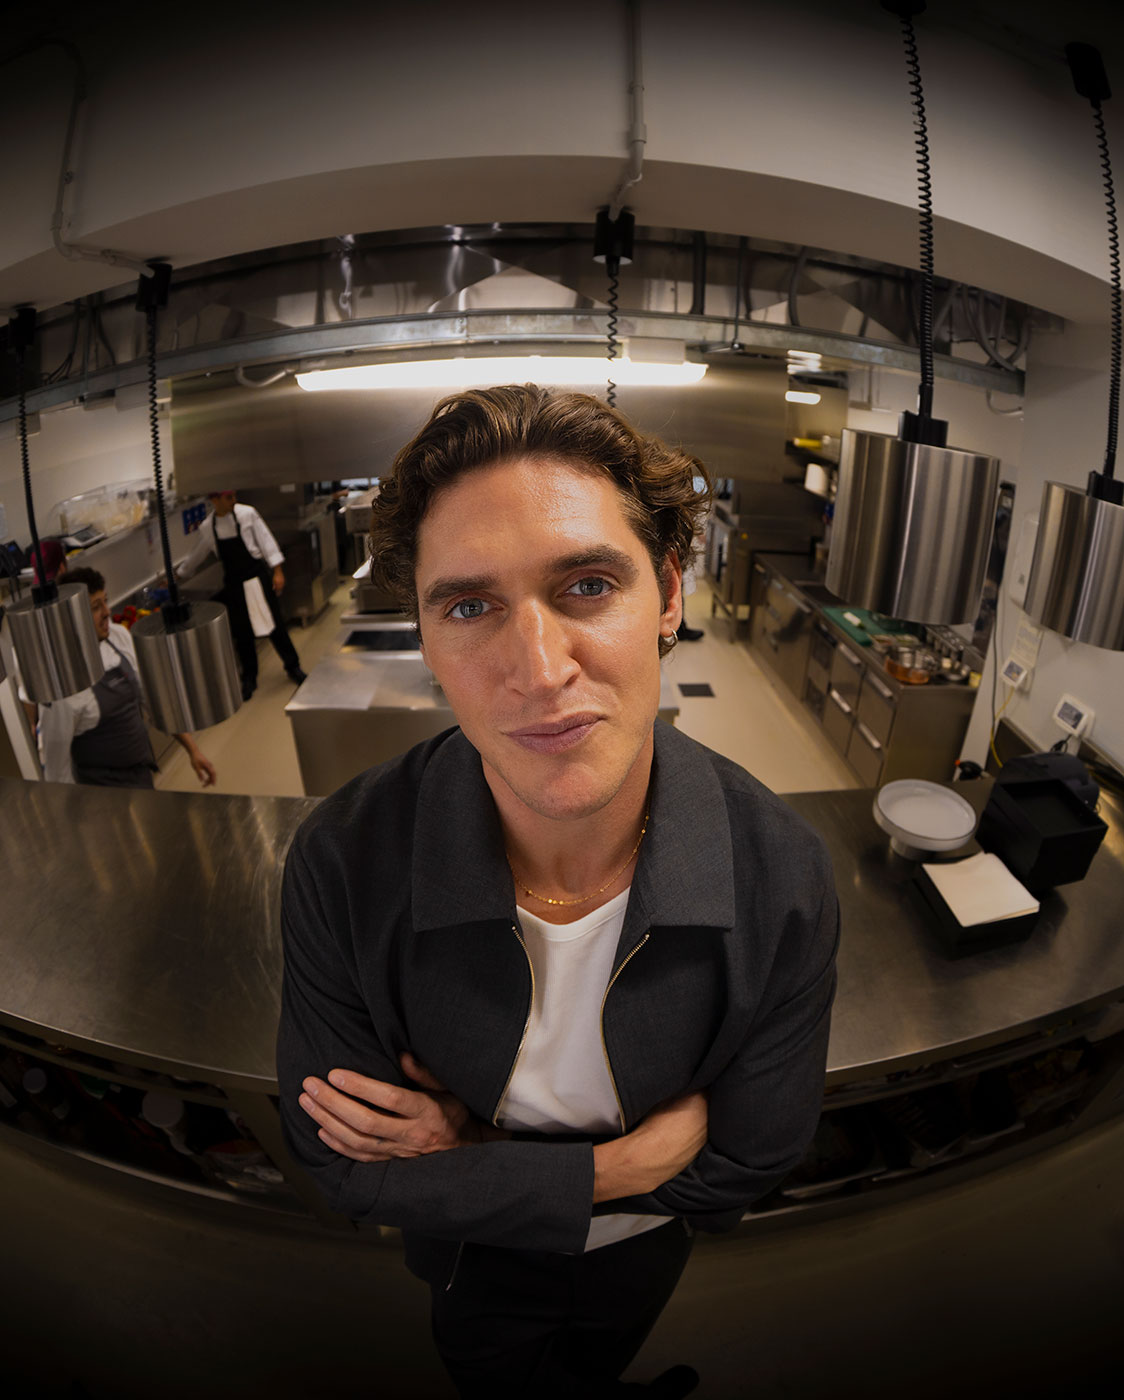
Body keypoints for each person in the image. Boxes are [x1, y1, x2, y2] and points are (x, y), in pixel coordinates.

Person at [276, 386, 839, 1398]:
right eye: (469, 603)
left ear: (667, 595)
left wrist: (465, 1152)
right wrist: (615, 1171)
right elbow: (349, 1169)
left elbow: (751, 1158)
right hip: (467, 1259)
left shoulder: (780, 874)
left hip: (636, 1257)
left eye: (585, 583)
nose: (537, 670)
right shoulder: (344, 861)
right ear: (423, 632)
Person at [30, 565, 216, 789]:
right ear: (72, 616)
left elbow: (153, 703)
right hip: (100, 795)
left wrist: (192, 750)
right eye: (96, 607)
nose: (107, 612)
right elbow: (56, 773)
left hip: (141, 776)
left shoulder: (118, 636)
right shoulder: (64, 684)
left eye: (105, 601)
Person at [175, 489, 307, 701]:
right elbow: (197, 554)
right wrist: (180, 574)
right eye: (229, 498)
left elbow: (266, 541)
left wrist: (278, 571)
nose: (234, 501)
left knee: (275, 625)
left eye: (234, 496)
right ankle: (249, 678)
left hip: (257, 577)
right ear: (214, 500)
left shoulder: (247, 514)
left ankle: (293, 667)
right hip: (234, 584)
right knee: (242, 632)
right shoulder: (208, 527)